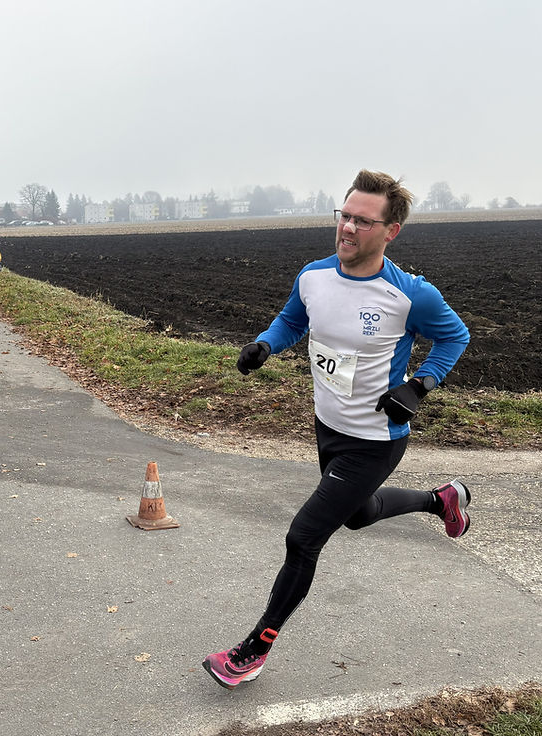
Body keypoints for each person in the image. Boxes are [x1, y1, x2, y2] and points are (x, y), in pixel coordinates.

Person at [201, 170, 472, 690]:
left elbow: (454, 338)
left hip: (375, 441)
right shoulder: (314, 276)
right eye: (344, 216)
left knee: (304, 537)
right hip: (328, 428)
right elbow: (292, 320)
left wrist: (418, 387)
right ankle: (442, 500)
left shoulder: (410, 294)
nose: (347, 228)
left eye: (362, 221)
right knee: (358, 514)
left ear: (390, 231)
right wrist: (266, 344)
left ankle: (252, 651)